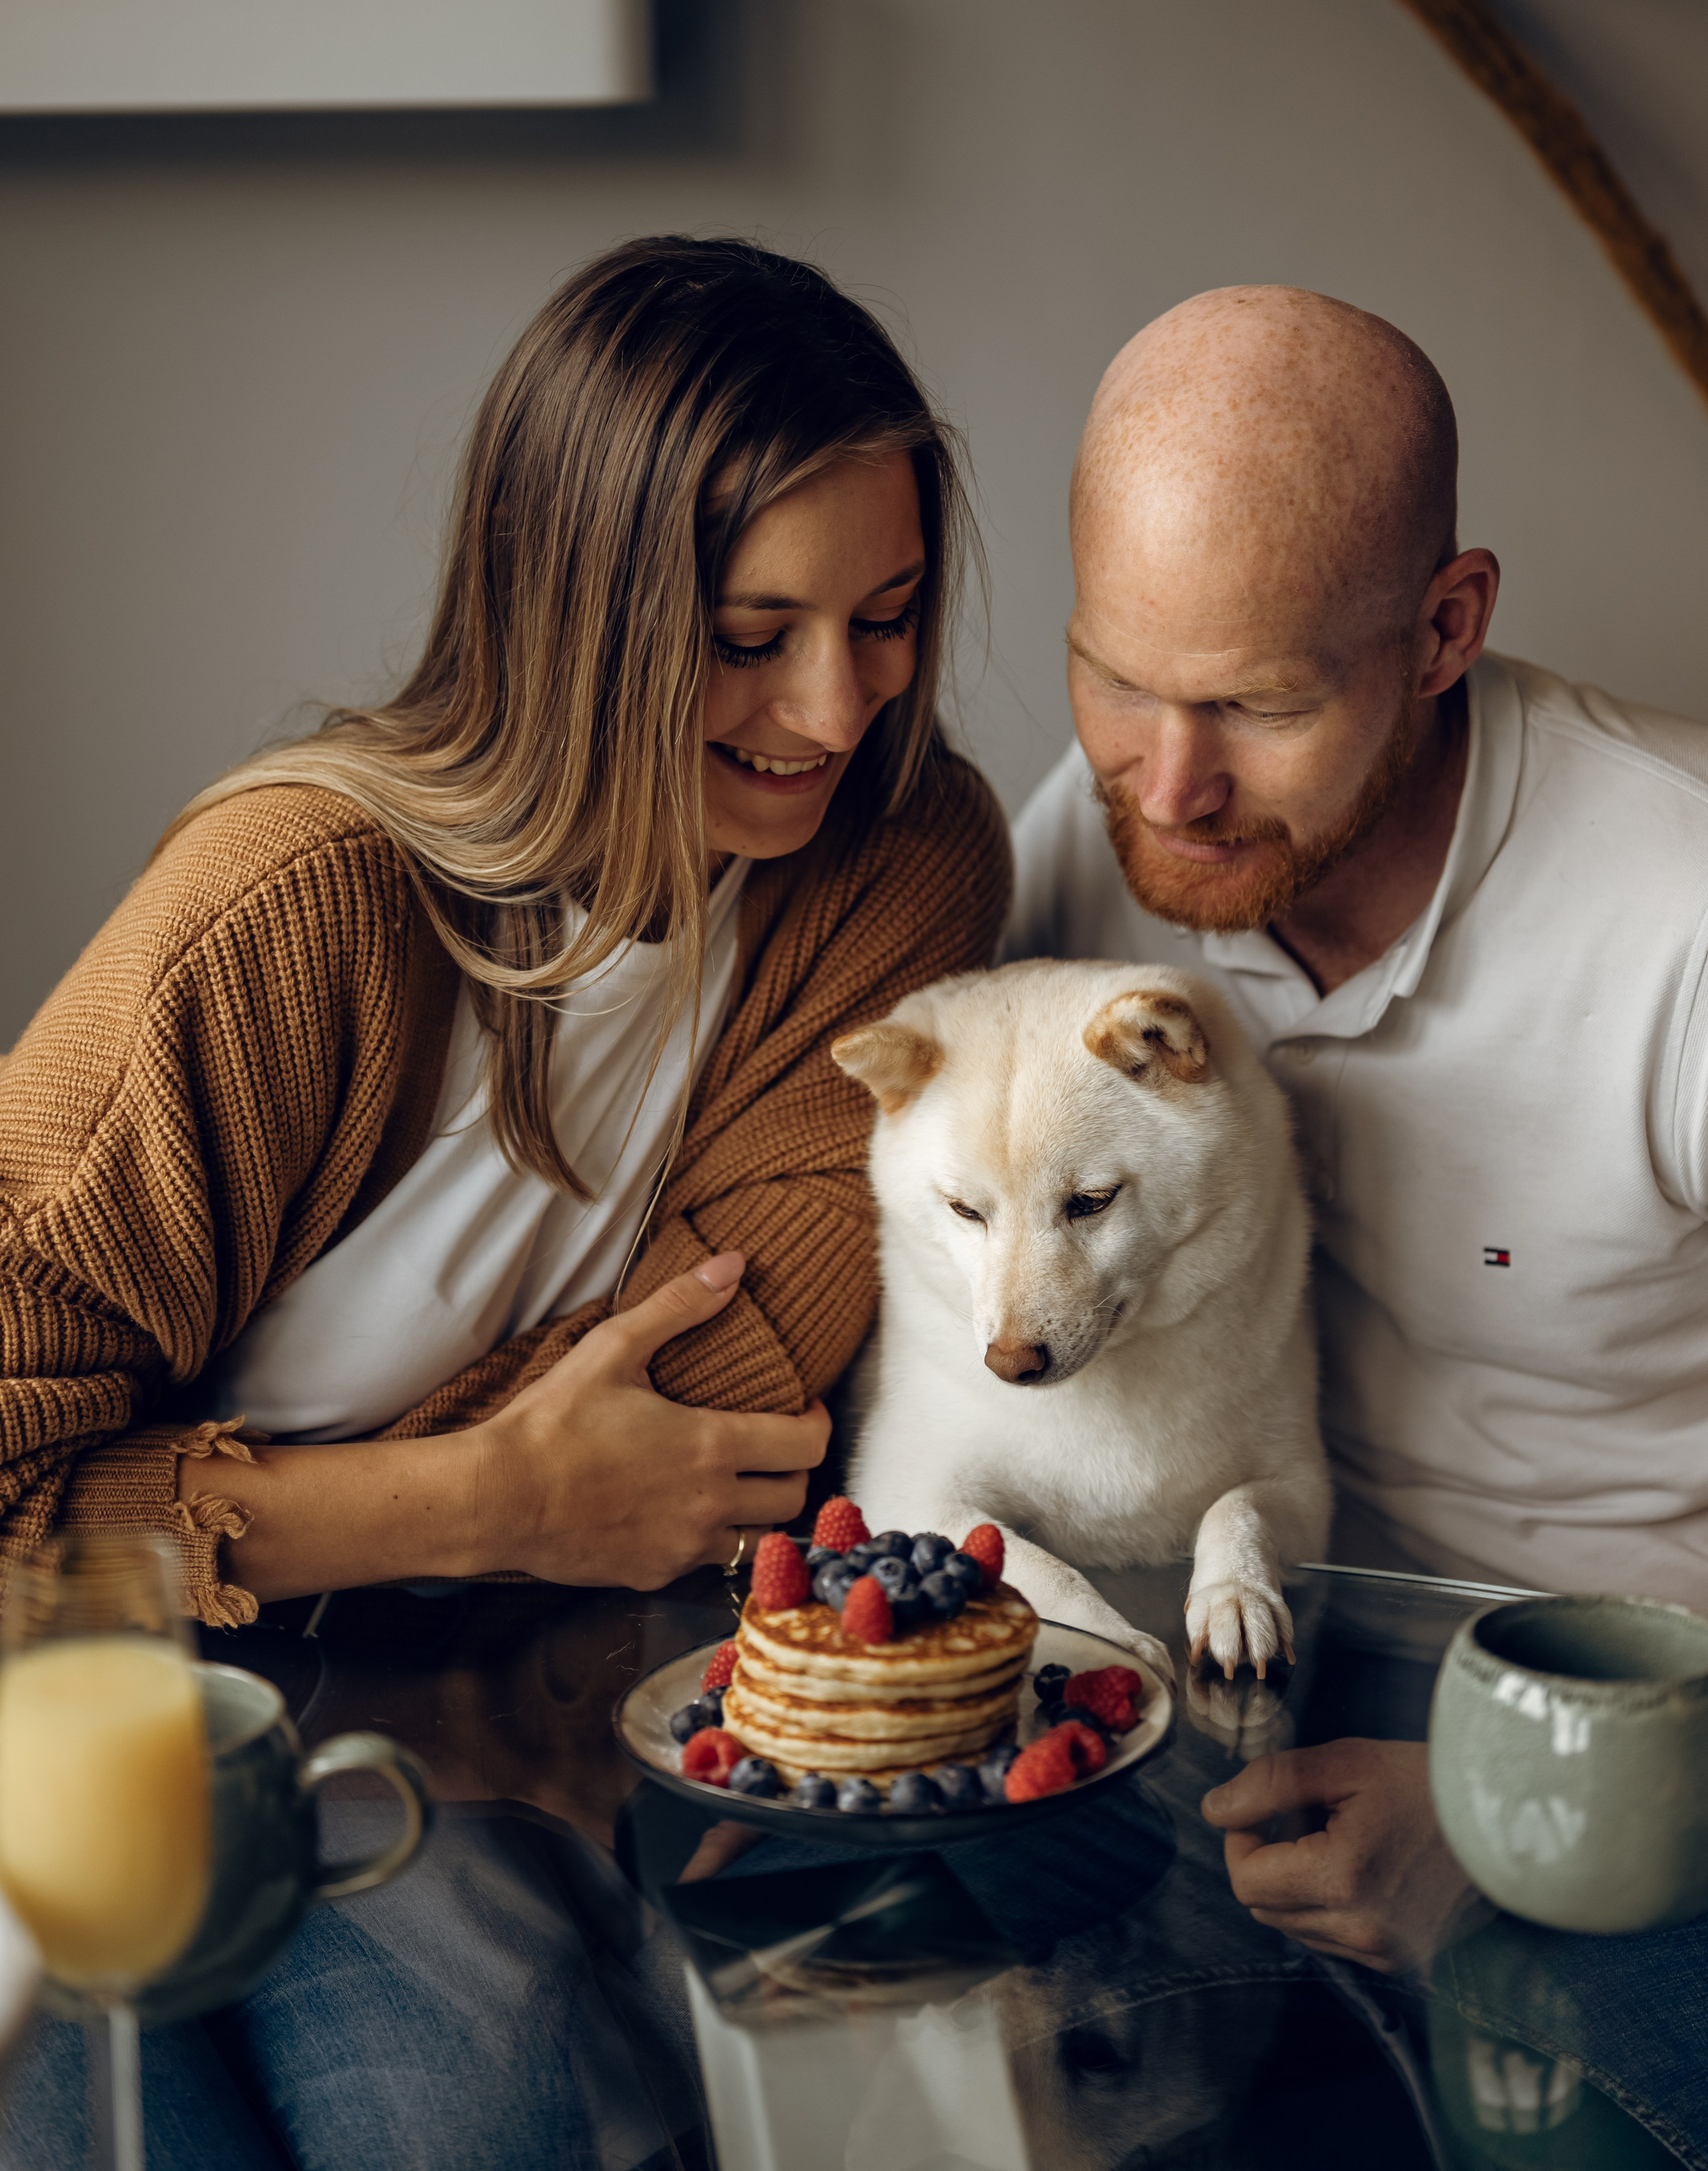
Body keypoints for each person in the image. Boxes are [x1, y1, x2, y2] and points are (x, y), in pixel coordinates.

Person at [0, 237, 1009, 2170]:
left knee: (492, 2113)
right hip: (53, 1701)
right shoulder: (291, 912)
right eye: (751, 633)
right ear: (575, 618)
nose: (834, 706)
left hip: (432, 1696)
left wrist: (261, 1502)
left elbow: (711, 1427)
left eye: (885, 617)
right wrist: (486, 1494)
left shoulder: (891, 865)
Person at [1006, 282, 1708, 1978]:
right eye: (1113, 677)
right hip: (1212, 1674)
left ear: (1443, 628)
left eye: (1256, 706)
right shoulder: (1100, 837)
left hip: (1635, 1746)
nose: (1166, 786)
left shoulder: (1681, 913)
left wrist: (1514, 1815)